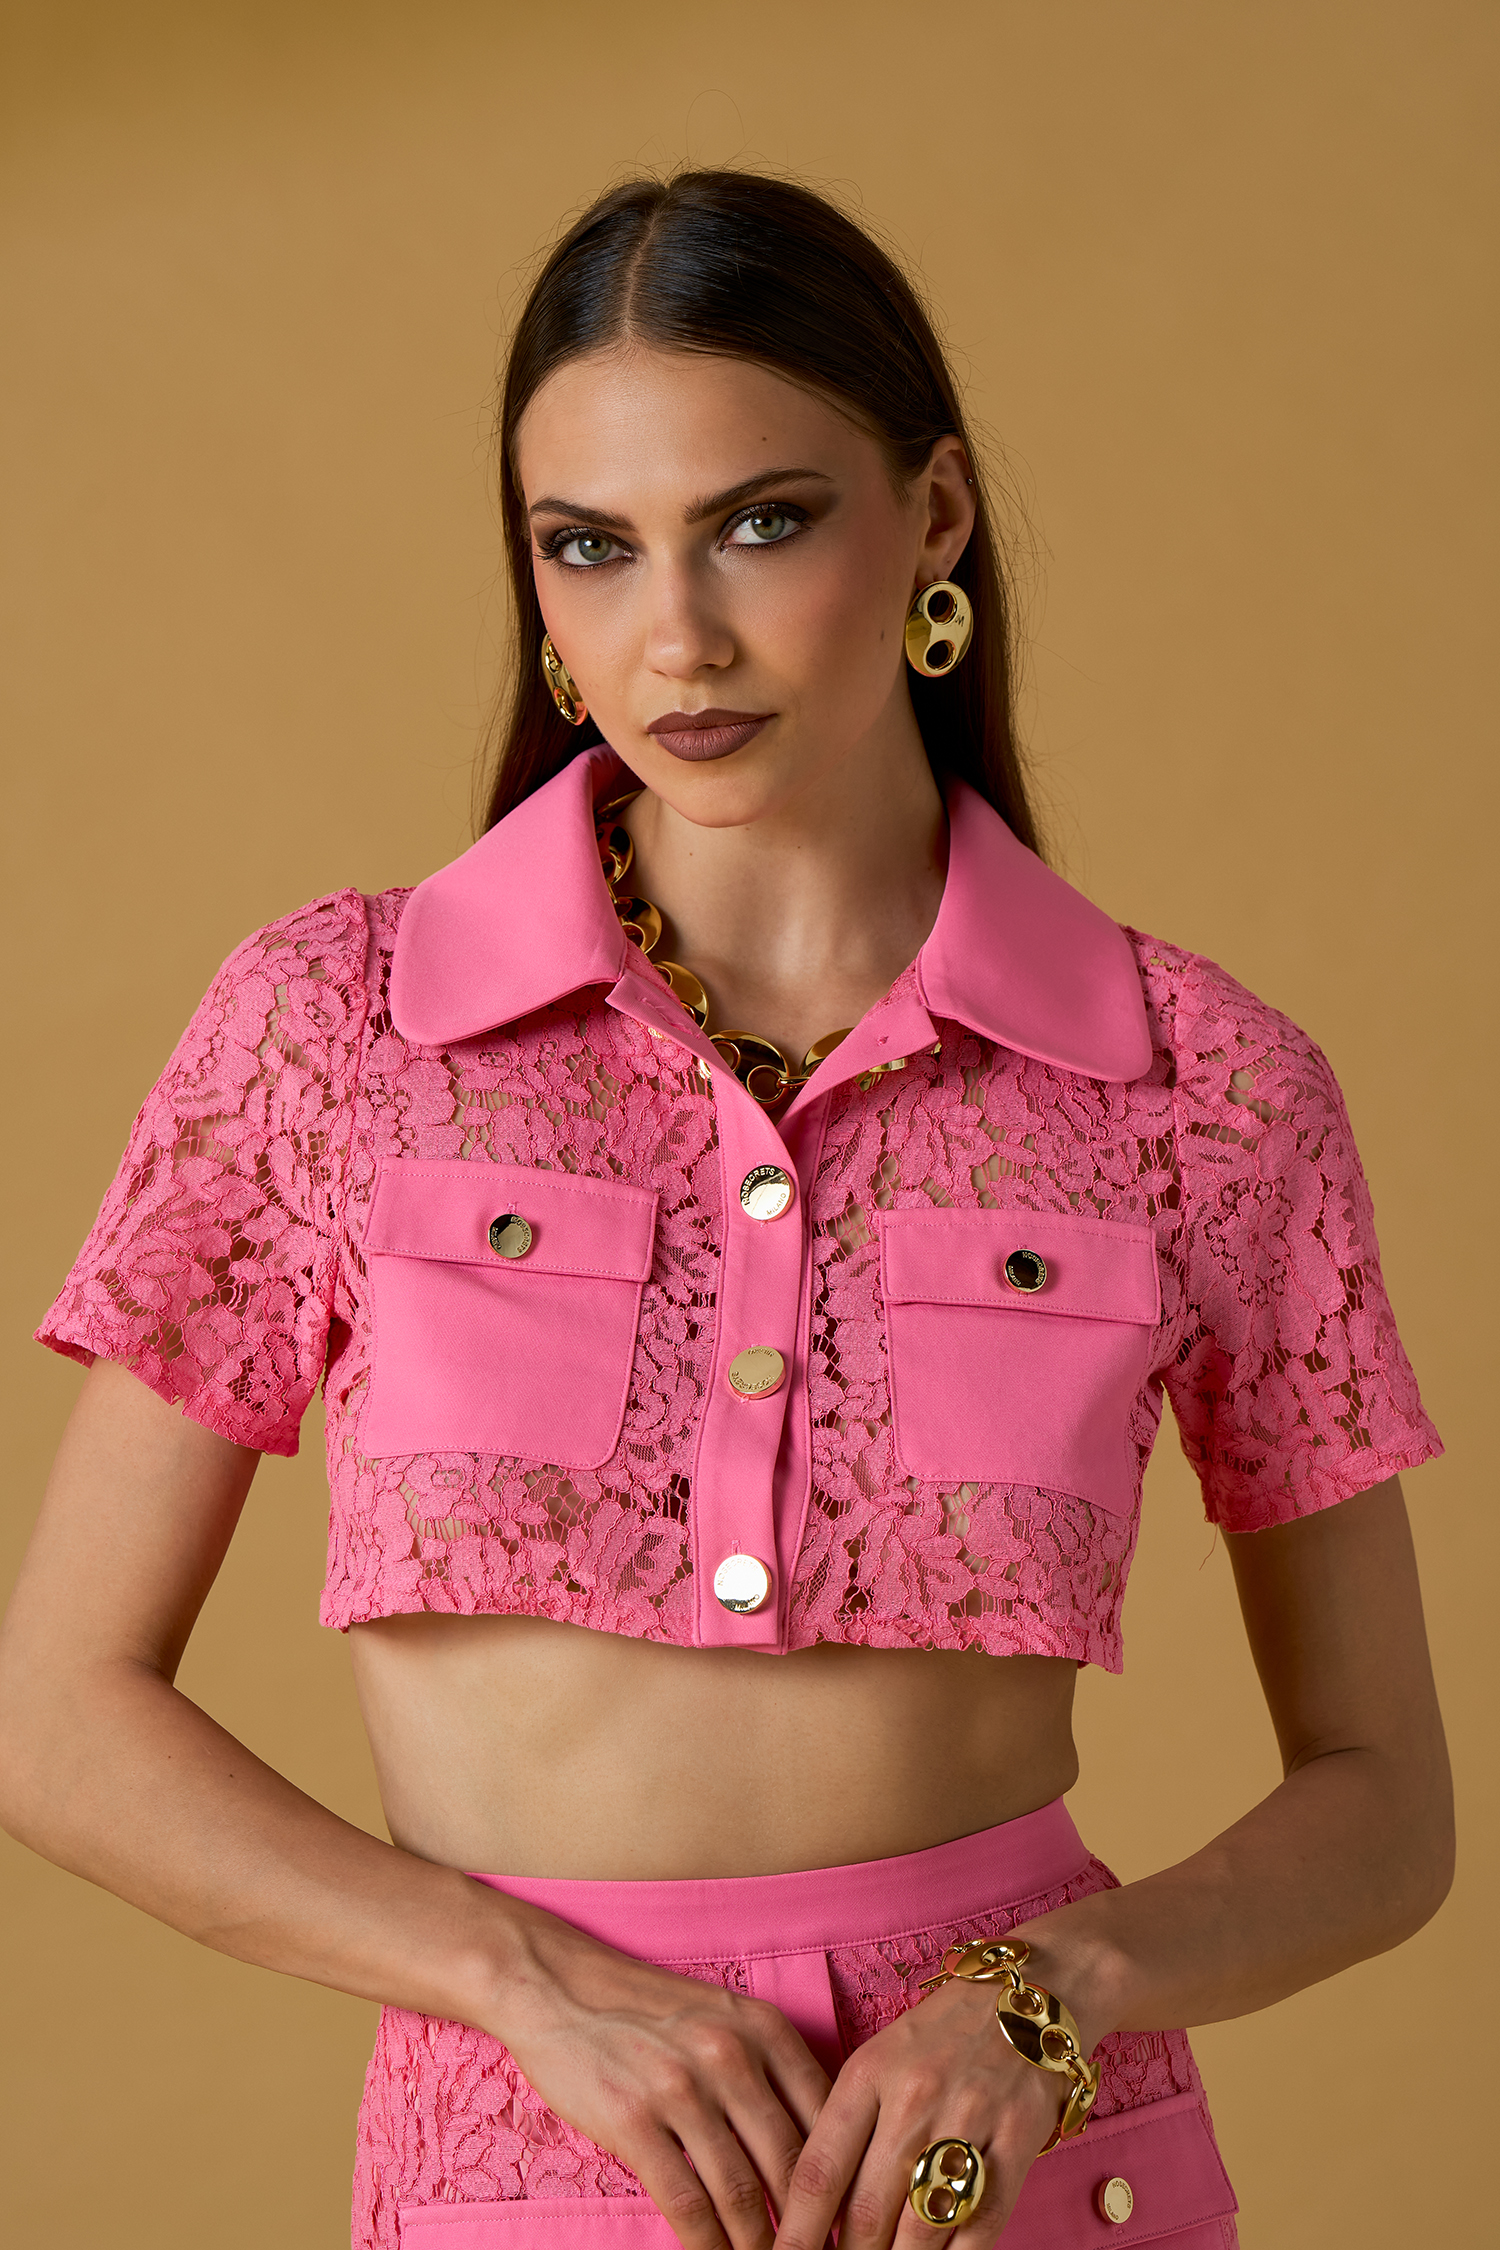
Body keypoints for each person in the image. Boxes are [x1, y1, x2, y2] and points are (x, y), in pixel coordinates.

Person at [0, 171, 1450, 2250]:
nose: (674, 636)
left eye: (762, 523)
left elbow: (1386, 1801)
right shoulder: (335, 1031)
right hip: (524, 2174)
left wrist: (1050, 1997)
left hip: (1018, 2172)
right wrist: (519, 1979)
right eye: (589, 546)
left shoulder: (1203, 1092)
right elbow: (57, 1722)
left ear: (935, 518)